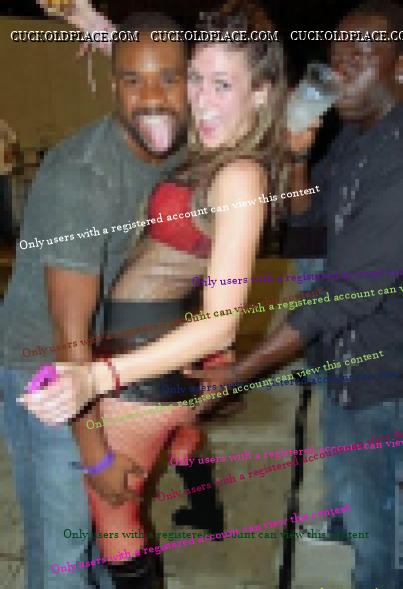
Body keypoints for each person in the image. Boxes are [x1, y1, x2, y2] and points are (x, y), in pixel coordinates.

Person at [20, 0, 306, 582]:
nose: (201, 99)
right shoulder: (212, 148)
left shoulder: (239, 176)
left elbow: (222, 321)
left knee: (115, 524)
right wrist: (104, 32)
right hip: (158, 350)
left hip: (138, 372)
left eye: (223, 85)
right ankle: (204, 505)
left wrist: (99, 377)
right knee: (157, 470)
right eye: (195, 78)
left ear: (261, 92)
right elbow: (155, 85)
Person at [186, 1, 403, 587]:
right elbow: (309, 225)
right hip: (347, 369)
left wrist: (240, 373)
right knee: (366, 519)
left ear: (400, 64)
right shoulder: (355, 138)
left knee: (381, 548)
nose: (342, 68)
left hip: (386, 383)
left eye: (362, 54)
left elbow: (342, 292)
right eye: (337, 55)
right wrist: (300, 158)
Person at [1, 12, 187, 589]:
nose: (152, 98)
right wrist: (98, 459)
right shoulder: (81, 178)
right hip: (45, 368)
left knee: (108, 539)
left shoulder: (176, 145)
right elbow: (69, 337)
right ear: (113, 87)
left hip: (107, 356)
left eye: (168, 79)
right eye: (133, 81)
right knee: (65, 540)